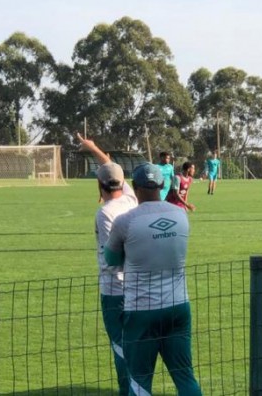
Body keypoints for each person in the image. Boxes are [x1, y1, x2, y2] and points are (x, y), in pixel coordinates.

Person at [105, 163, 202, 396]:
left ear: (135, 186)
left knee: (139, 382)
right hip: (178, 306)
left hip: (141, 311)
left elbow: (111, 259)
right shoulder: (180, 214)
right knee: (185, 376)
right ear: (161, 185)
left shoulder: (125, 221)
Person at [77, 133, 137, 396]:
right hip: (138, 285)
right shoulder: (131, 198)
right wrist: (94, 149)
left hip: (115, 290)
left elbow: (110, 258)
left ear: (99, 186)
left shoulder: (105, 213)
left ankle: (129, 392)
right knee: (136, 345)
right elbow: (113, 170)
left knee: (121, 347)